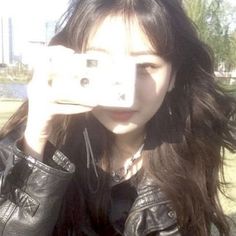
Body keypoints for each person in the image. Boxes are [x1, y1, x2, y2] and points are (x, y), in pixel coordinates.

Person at [0, 0, 235, 235]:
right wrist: (35, 144)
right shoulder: (28, 141)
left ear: (173, 75)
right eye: (101, 64)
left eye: (144, 66)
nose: (125, 90)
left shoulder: (193, 134)